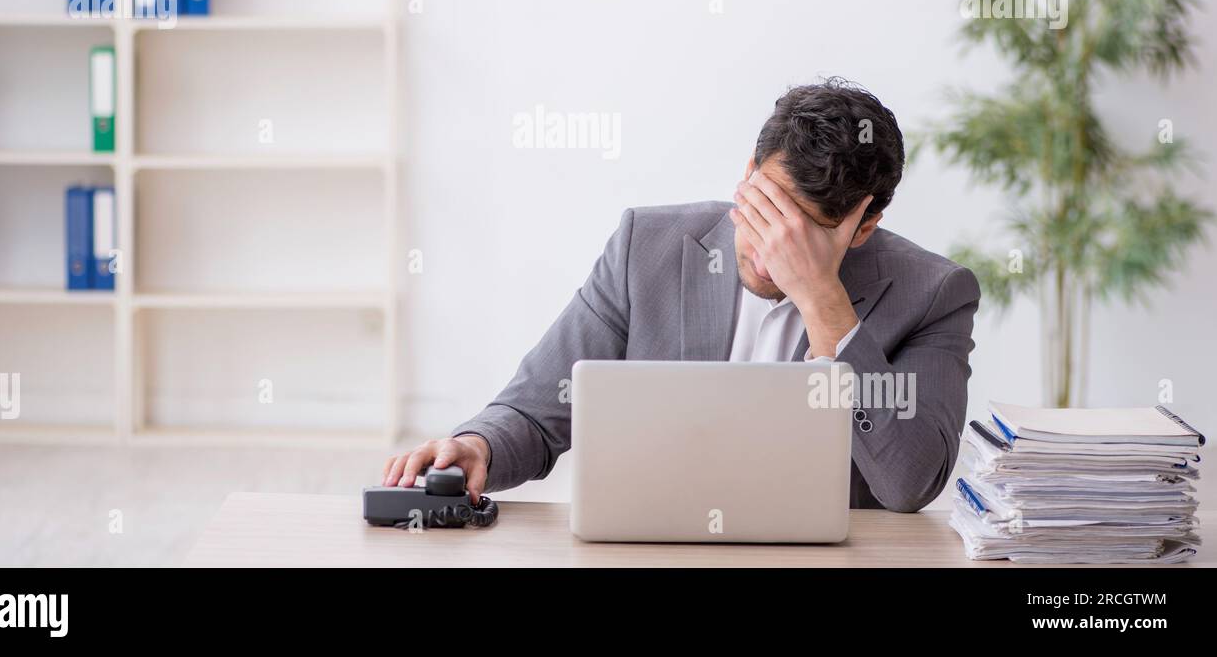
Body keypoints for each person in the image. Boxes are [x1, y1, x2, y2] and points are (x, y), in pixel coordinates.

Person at [383, 78, 981, 512]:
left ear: (864, 225)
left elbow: (910, 484)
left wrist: (823, 300)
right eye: (765, 208)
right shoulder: (646, 246)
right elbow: (538, 410)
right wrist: (476, 445)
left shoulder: (933, 294)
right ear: (746, 171)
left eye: (809, 233)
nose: (772, 248)